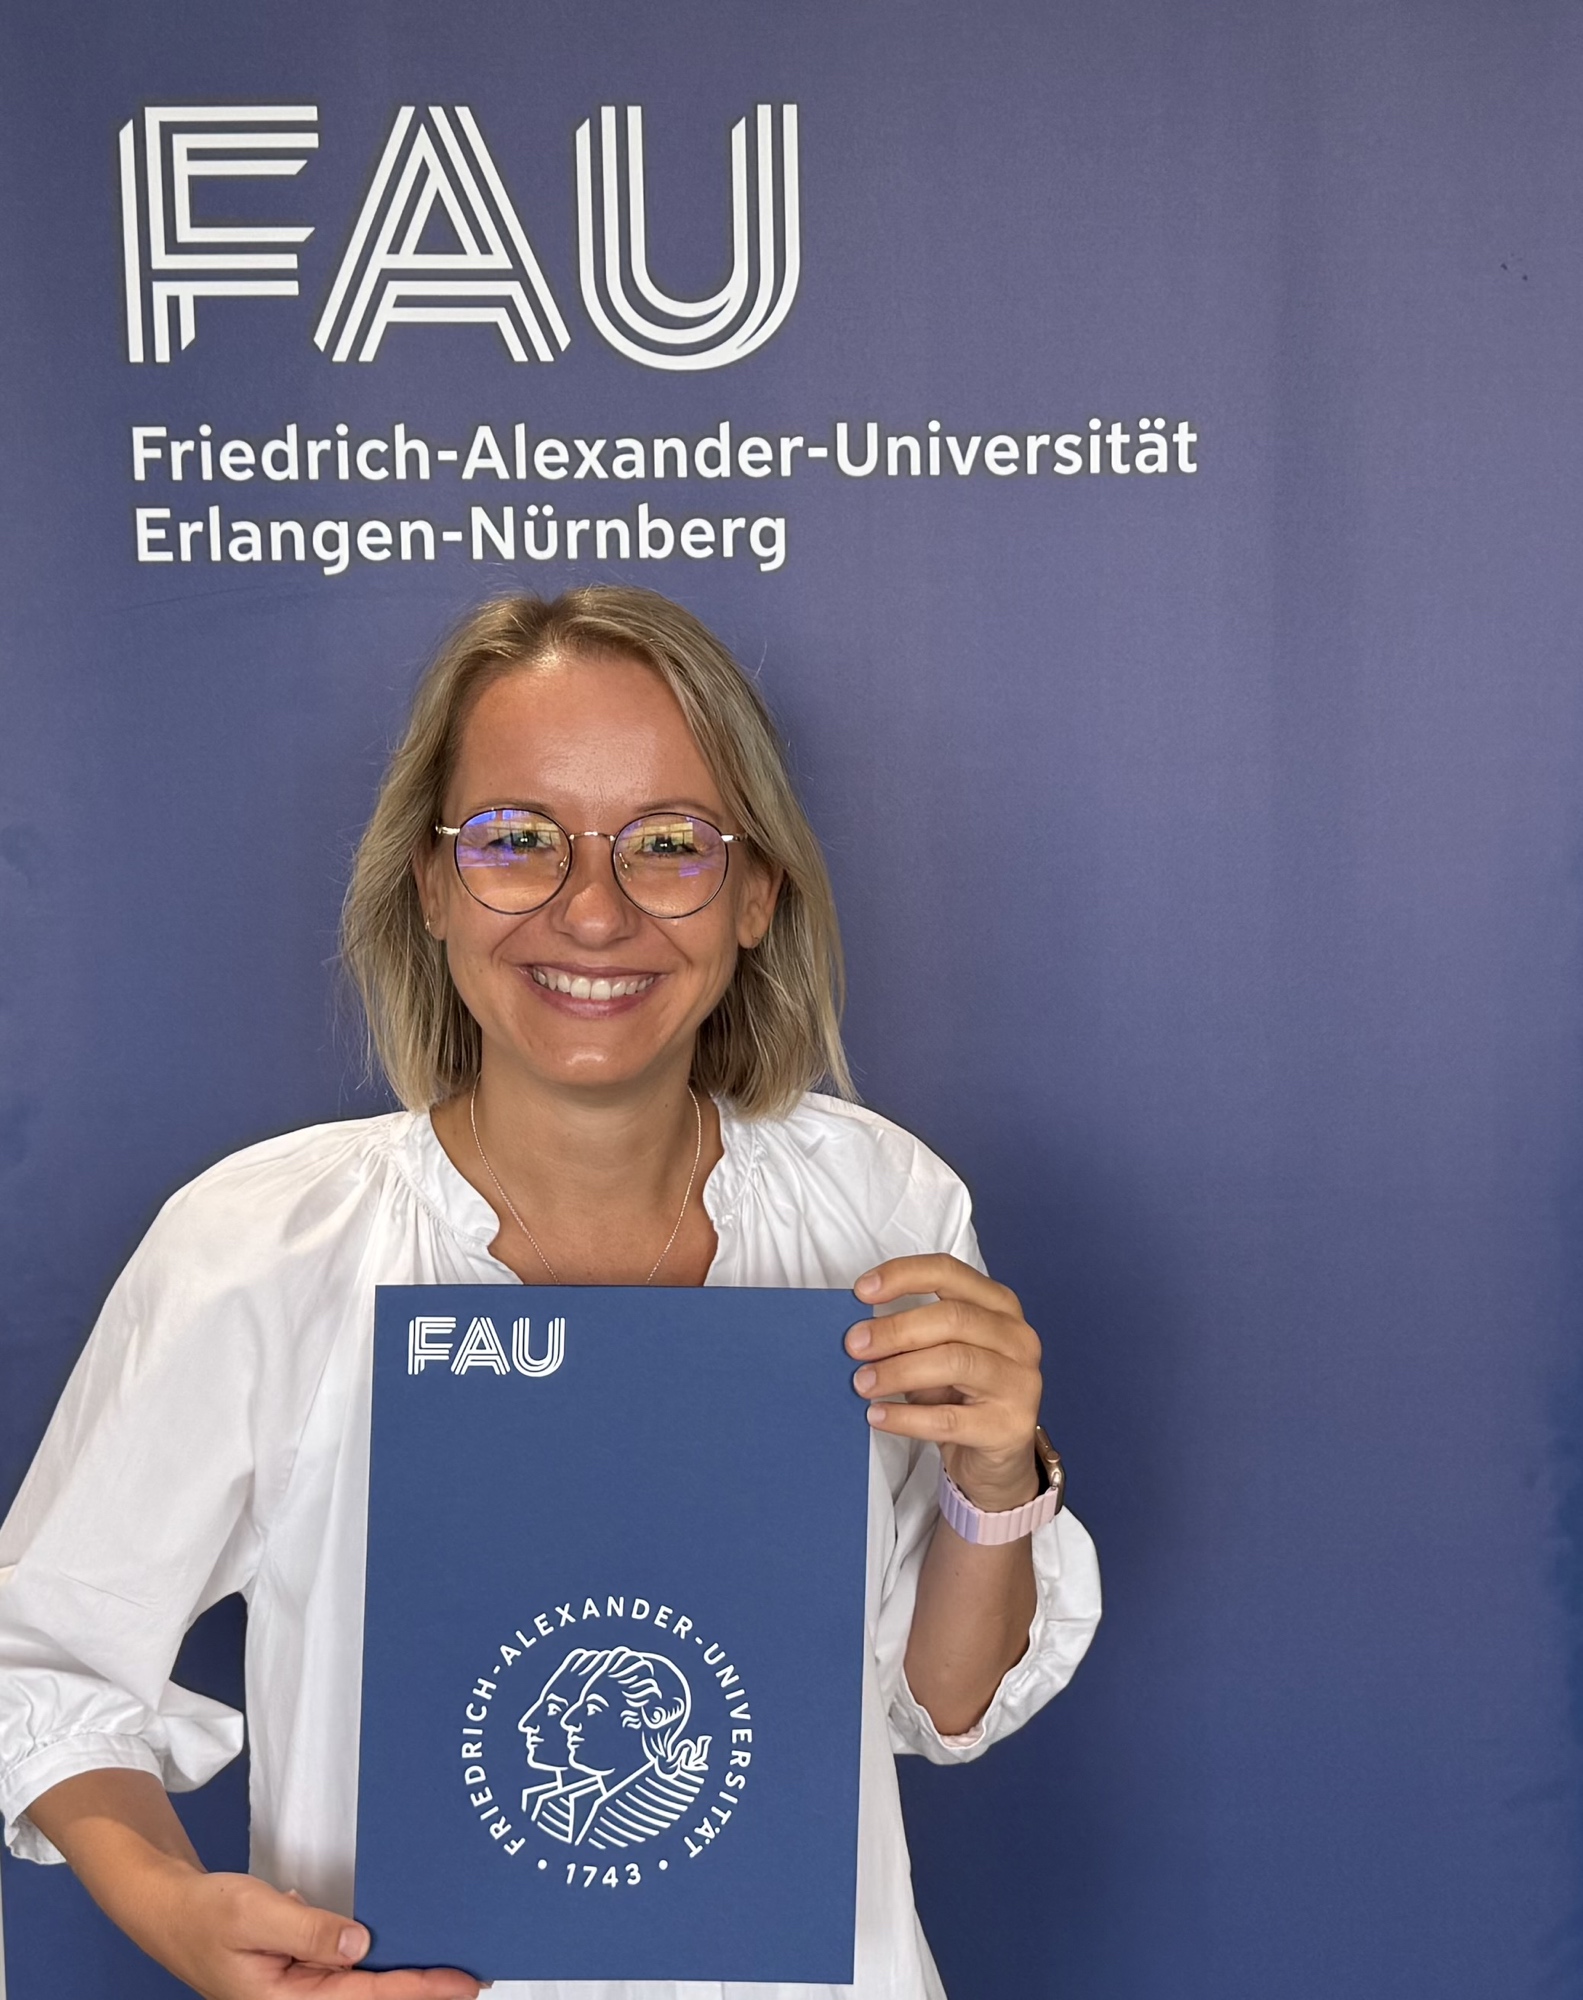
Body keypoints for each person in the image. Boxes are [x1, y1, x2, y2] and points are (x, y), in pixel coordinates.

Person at [0, 586, 1102, 2000]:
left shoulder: (881, 1210)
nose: (592, 911)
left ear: (756, 894)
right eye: (518, 840)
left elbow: (938, 1702)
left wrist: (996, 1479)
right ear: (432, 884)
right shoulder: (261, 1246)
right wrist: (173, 1912)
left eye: (669, 844)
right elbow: (43, 1662)